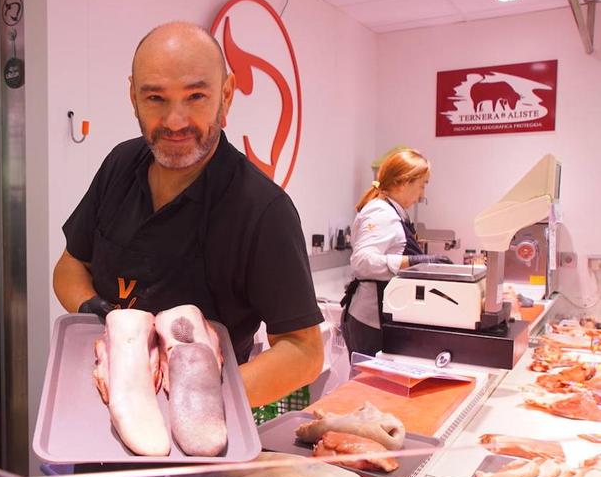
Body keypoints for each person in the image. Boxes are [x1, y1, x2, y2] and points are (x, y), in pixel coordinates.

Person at [53, 22, 324, 408]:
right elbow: (69, 267)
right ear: (133, 97)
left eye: (195, 96)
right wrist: (101, 313)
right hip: (102, 405)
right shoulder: (120, 164)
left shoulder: (263, 211)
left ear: (226, 96)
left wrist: (200, 400)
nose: (175, 121)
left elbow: (303, 351)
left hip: (203, 437)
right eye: (155, 99)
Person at [340, 149, 452, 356]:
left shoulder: (394, 213)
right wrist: (415, 261)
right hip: (370, 322)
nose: (422, 195)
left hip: (383, 317)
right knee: (369, 387)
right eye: (422, 186)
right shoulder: (381, 214)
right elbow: (362, 263)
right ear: (403, 182)